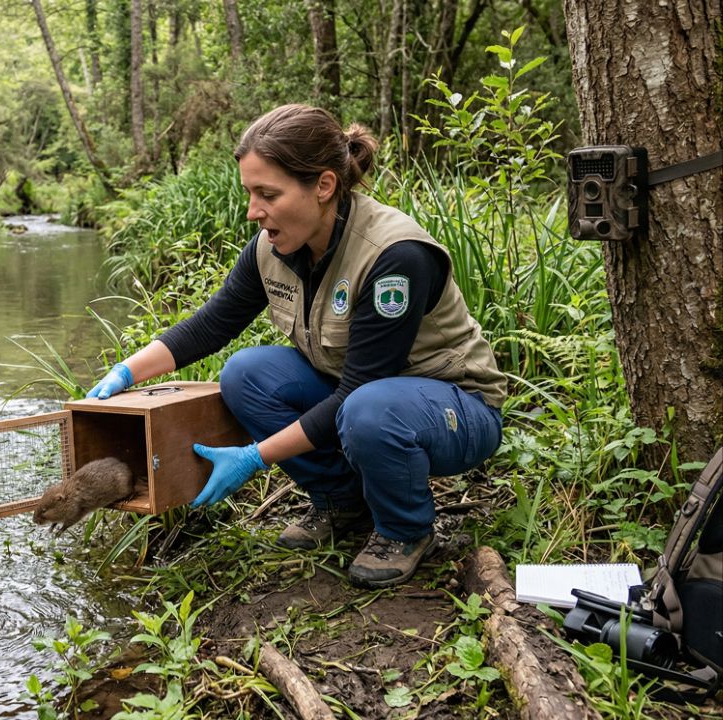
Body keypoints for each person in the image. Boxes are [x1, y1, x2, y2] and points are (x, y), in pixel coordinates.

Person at [85, 104, 506, 589]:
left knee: (369, 411)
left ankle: (404, 529)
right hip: (364, 397)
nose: (253, 211)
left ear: (323, 186)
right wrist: (125, 373)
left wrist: (254, 456)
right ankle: (341, 501)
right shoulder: (274, 244)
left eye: (268, 194)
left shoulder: (395, 257)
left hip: (455, 408)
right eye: (249, 193)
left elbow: (356, 393)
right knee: (245, 372)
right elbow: (211, 325)